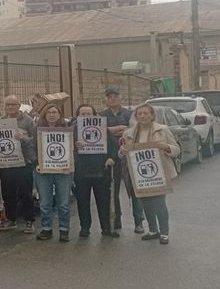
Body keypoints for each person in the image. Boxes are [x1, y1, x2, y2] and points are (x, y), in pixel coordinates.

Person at [121, 103, 179, 245]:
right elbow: (122, 152)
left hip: (160, 173)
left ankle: (164, 233)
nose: (143, 116)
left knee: (159, 203)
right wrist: (122, 152)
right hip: (140, 174)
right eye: (140, 114)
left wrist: (165, 147)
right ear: (136, 116)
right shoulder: (129, 133)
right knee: (145, 203)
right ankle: (153, 230)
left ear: (152, 115)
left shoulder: (162, 130)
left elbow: (176, 149)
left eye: (146, 113)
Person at [72, 105, 120, 238]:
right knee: (82, 201)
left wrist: (111, 158)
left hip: (101, 169)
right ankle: (85, 228)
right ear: (78, 116)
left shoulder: (103, 129)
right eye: (83, 114)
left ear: (94, 115)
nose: (86, 116)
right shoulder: (72, 131)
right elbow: (64, 150)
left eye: (89, 114)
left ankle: (106, 228)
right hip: (81, 170)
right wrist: (74, 147)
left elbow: (114, 146)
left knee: (103, 200)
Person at [99, 87, 139, 232]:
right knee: (113, 190)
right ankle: (116, 220)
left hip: (129, 155)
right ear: (106, 99)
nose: (113, 98)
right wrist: (118, 128)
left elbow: (132, 131)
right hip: (111, 157)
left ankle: (138, 222)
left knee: (134, 189)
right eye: (109, 96)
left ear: (121, 97)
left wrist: (110, 130)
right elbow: (99, 131)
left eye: (115, 96)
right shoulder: (101, 115)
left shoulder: (130, 114)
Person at [0, 95, 38, 233]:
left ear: (19, 105)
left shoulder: (28, 121)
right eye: (7, 104)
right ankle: (11, 219)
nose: (10, 107)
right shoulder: (1, 121)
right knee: (8, 192)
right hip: (6, 163)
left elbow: (35, 140)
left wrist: (24, 137)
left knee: (25, 192)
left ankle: (29, 221)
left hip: (24, 162)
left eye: (13, 104)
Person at [34, 104, 74, 242]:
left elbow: (72, 149)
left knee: (63, 202)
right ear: (44, 115)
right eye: (49, 112)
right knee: (45, 202)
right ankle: (46, 229)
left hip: (63, 171)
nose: (51, 114)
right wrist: (36, 163)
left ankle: (64, 230)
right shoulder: (37, 130)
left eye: (54, 112)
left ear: (60, 114)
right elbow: (32, 148)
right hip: (43, 171)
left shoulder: (68, 130)